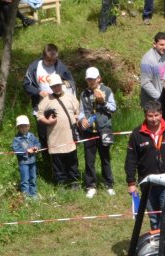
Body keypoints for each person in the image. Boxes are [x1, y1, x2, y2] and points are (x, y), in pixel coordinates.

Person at [125, 100, 165, 228]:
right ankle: (157, 239)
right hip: (147, 184)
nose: (154, 119)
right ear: (145, 115)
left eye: (156, 115)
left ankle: (164, 240)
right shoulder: (137, 134)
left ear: (161, 114)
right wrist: (131, 183)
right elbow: (131, 160)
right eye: (150, 116)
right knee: (154, 218)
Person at [23, 44, 75, 152]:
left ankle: (60, 158)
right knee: (44, 137)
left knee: (59, 135)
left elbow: (70, 83)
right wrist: (38, 92)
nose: (51, 62)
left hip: (59, 107)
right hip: (41, 108)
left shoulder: (60, 66)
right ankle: (47, 160)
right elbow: (27, 85)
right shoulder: (34, 67)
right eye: (48, 60)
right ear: (43, 56)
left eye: (54, 60)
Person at [35, 74, 81, 187]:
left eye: (58, 85)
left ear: (61, 84)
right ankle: (61, 183)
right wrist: (48, 122)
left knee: (72, 160)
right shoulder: (46, 100)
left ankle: (74, 181)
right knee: (58, 162)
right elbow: (39, 116)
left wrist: (76, 118)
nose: (56, 88)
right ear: (51, 87)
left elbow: (79, 111)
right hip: (55, 138)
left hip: (70, 137)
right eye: (54, 86)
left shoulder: (70, 97)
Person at [79, 66, 117, 198]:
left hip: (104, 129)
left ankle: (109, 184)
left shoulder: (107, 90)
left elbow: (113, 108)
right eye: (88, 79)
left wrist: (103, 102)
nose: (91, 82)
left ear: (99, 78)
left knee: (105, 158)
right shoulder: (83, 94)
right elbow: (81, 111)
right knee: (89, 160)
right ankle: (90, 186)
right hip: (89, 131)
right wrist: (82, 119)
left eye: (93, 79)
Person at [12, 115, 41, 199]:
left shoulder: (32, 136)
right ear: (18, 128)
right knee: (25, 179)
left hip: (32, 161)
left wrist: (36, 147)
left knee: (33, 178)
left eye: (25, 126)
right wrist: (26, 151)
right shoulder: (17, 139)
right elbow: (16, 149)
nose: (23, 128)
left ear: (29, 126)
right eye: (21, 127)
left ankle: (33, 194)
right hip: (23, 162)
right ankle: (26, 196)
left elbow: (37, 143)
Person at [141, 32, 165, 107]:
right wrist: (160, 98)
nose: (164, 47)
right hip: (154, 103)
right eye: (161, 45)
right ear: (154, 44)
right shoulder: (148, 60)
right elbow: (145, 83)